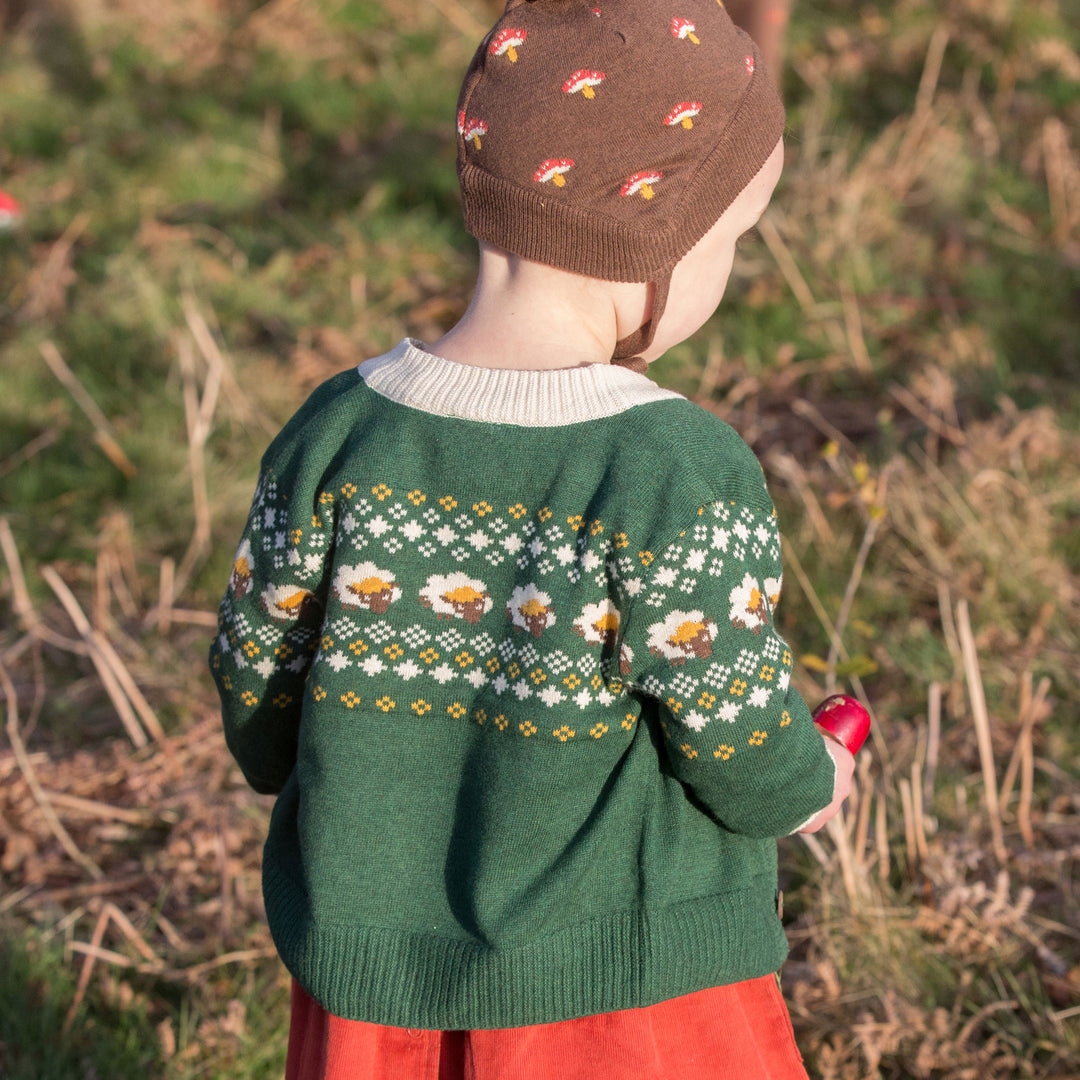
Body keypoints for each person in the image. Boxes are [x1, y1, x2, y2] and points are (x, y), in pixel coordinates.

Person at [209, 2, 856, 1077]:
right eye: (733, 240)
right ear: (660, 238)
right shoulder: (671, 472)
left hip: (376, 997)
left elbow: (254, 677)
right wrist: (812, 775)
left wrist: (305, 763)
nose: (731, 273)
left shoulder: (335, 432)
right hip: (625, 997)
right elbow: (736, 735)